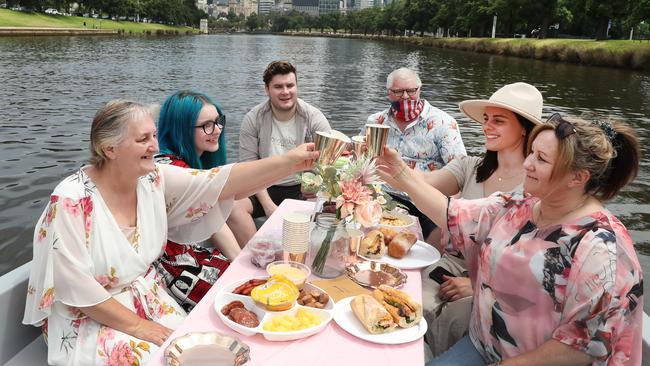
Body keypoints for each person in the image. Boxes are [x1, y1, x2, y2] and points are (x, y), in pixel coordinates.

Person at [22, 100, 318, 365]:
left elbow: (218, 183)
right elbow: (75, 291)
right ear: (109, 149)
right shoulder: (72, 200)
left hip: (148, 299)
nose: (155, 146)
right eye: (143, 139)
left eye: (154, 135)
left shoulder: (152, 178)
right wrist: (142, 328)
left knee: (211, 352)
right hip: (88, 318)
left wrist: (290, 162)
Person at [379, 114, 642, 365]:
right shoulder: (521, 204)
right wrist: (400, 174)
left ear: (578, 177)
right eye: (531, 153)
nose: (527, 164)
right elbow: (454, 214)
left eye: (541, 159)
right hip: (483, 345)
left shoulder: (602, 248)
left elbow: (584, 345)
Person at [420, 82, 542, 357]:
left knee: (458, 319)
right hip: (452, 264)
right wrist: (378, 159)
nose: (486, 126)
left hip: (500, 282)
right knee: (414, 305)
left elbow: (530, 262)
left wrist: (476, 286)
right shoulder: (470, 166)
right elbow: (425, 183)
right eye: (486, 119)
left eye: (498, 121)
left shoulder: (537, 185)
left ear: (524, 128)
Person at [154, 90, 251, 311]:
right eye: (207, 125)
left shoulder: (186, 163)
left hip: (184, 251)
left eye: (218, 122)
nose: (217, 130)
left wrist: (238, 261)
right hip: (167, 263)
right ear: (182, 129)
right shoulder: (173, 169)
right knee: (236, 296)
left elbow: (211, 217)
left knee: (241, 275)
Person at [366, 67, 466, 241]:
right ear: (389, 93)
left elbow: (460, 170)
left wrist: (450, 212)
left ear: (419, 90)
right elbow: (363, 158)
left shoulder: (443, 123)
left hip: (423, 197)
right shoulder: (376, 122)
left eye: (411, 91)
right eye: (398, 92)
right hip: (383, 194)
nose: (405, 97)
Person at [239, 60, 331, 219]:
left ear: (297, 87)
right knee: (233, 207)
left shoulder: (314, 117)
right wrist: (268, 206)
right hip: (262, 186)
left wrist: (314, 184)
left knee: (330, 209)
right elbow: (249, 167)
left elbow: (330, 158)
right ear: (267, 89)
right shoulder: (253, 119)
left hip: (301, 187)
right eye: (278, 87)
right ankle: (254, 244)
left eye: (290, 85)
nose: (285, 91)